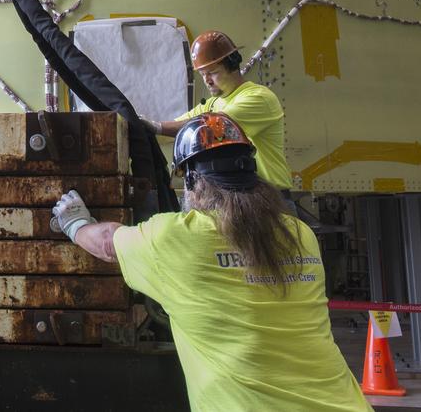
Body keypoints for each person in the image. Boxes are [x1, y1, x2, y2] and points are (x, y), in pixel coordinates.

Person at [52, 113, 369, 412]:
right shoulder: (299, 234)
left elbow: (108, 243)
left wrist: (75, 224)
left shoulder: (176, 239)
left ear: (193, 182)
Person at [153, 30, 292, 194]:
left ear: (233, 65)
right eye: (203, 74)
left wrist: (157, 128)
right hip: (240, 197)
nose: (207, 81)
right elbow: (177, 127)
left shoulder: (259, 98)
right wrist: (142, 127)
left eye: (212, 72)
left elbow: (206, 126)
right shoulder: (212, 104)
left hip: (272, 199)